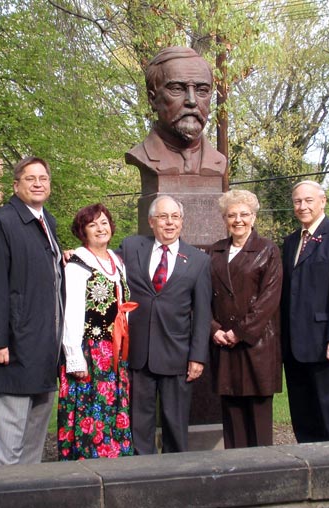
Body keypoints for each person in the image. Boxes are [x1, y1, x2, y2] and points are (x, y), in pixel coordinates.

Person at [0, 156, 65, 466]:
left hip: (42, 354)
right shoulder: (1, 223)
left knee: (32, 452)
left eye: (43, 178)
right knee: (10, 454)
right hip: (11, 354)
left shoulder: (46, 223)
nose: (38, 183)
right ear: (16, 185)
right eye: (30, 178)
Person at [117, 195, 212, 454]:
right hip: (139, 354)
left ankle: (175, 474)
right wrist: (77, 253)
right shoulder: (131, 247)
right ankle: (142, 474)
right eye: (162, 217)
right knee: (139, 424)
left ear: (182, 222)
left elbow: (203, 314)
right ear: (151, 222)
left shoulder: (198, 260)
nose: (169, 223)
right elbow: (100, 260)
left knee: (175, 423)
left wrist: (197, 357)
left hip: (178, 356)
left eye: (175, 217)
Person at [281, 180, 329, 443]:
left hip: (328, 346)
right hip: (295, 349)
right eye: (297, 202)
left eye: (308, 200)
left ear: (323, 201)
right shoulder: (291, 241)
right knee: (305, 420)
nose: (302, 206)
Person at [57, 204, 138, 460]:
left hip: (115, 351)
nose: (100, 228)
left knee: (114, 405)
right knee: (90, 409)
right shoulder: (77, 264)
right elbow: (71, 313)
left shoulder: (117, 261)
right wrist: (74, 357)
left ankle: (115, 459)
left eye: (103, 222)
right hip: (91, 350)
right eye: (92, 225)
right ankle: (89, 462)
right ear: (82, 232)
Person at [207, 190, 283, 448]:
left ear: (254, 217)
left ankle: (262, 473)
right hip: (223, 344)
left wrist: (239, 332)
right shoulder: (214, 251)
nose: (238, 220)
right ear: (224, 219)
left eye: (244, 214)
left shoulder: (268, 250)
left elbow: (269, 299)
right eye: (231, 215)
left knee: (258, 417)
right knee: (232, 415)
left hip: (256, 343)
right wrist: (214, 329)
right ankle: (235, 472)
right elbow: (203, 296)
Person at [125, 46, 226, 180]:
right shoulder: (141, 155)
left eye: (201, 90)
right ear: (152, 98)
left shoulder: (218, 161)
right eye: (177, 89)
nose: (192, 101)